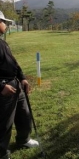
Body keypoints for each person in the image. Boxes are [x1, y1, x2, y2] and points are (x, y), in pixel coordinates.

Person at [0, 11, 39, 159]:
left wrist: (22, 78)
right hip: (5, 89)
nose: (6, 25)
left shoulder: (2, 42)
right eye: (4, 22)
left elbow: (13, 63)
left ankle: (24, 139)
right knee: (4, 123)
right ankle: (2, 153)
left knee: (24, 115)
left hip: (16, 84)